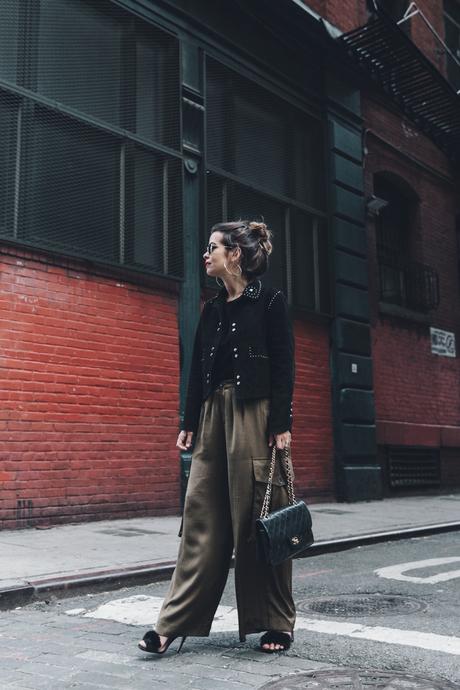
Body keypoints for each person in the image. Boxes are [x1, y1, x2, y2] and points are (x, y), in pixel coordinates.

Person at [138, 220, 296, 655]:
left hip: (255, 415)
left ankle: (276, 623)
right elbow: (196, 372)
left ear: (235, 255)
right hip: (213, 418)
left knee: (258, 520)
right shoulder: (212, 309)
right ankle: (172, 623)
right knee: (200, 520)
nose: (205, 255)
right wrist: (188, 421)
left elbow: (284, 366)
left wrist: (280, 424)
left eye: (213, 248)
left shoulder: (269, 301)